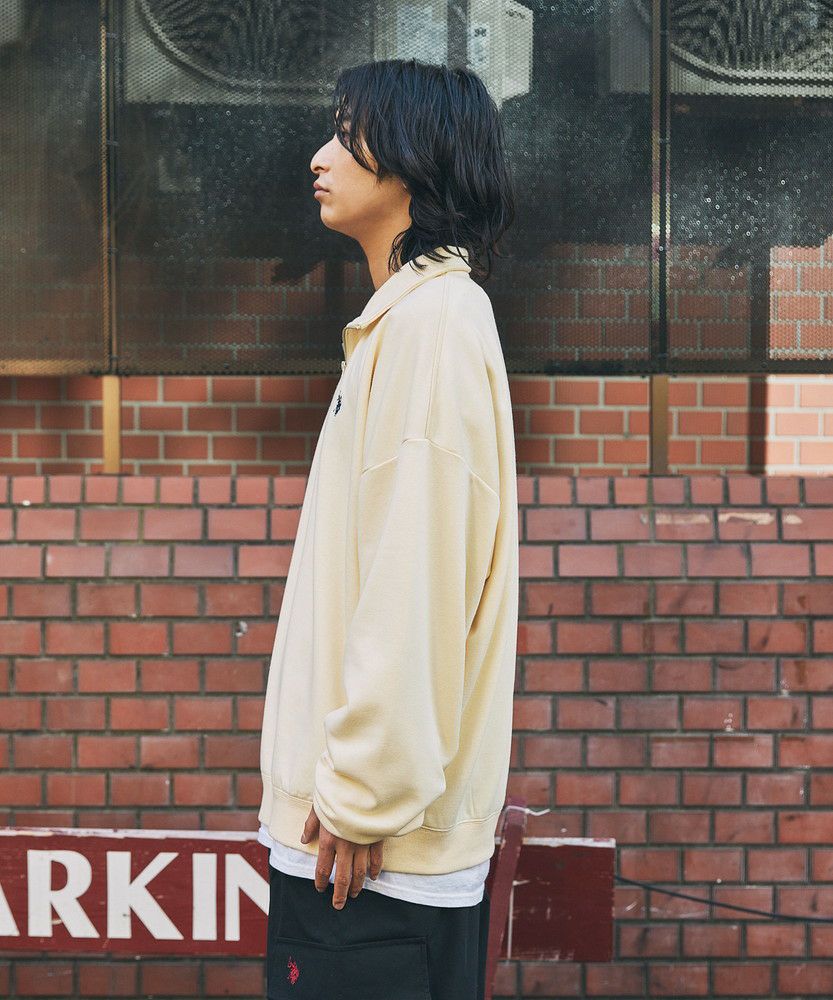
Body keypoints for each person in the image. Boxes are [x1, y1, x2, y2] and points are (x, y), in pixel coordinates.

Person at [257, 57, 518, 1000]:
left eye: (344, 134)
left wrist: (362, 798)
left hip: (368, 861)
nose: (319, 157)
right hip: (363, 847)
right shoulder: (410, 323)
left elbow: (415, 583)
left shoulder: (432, 327)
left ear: (409, 158)